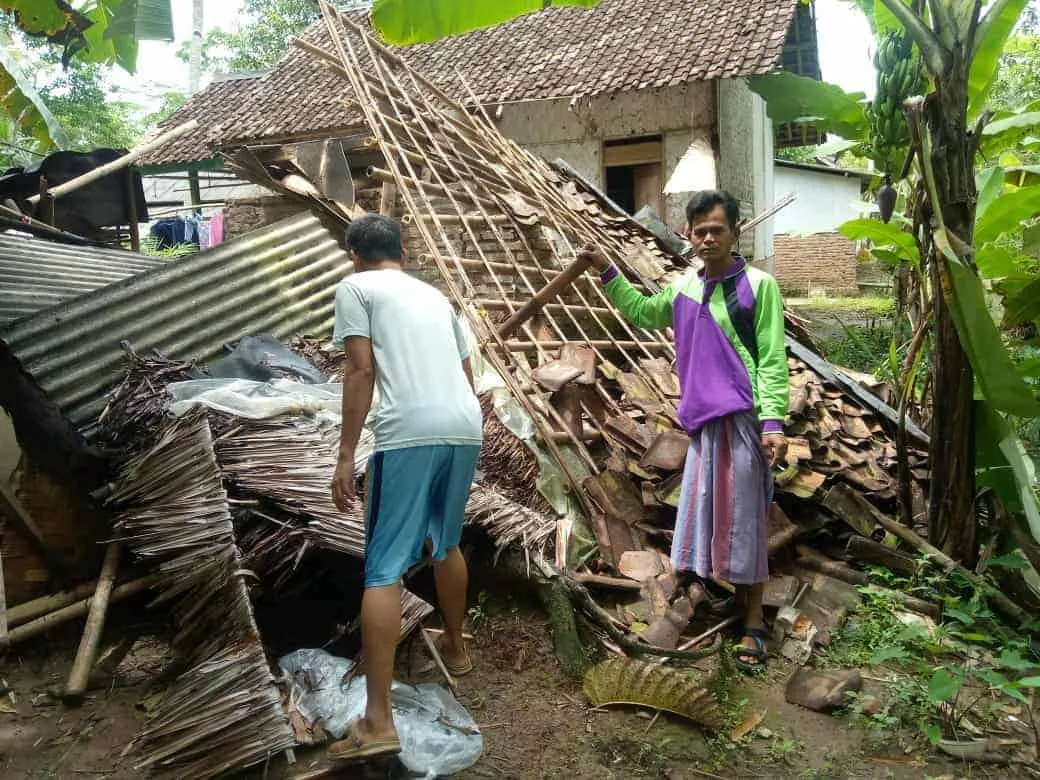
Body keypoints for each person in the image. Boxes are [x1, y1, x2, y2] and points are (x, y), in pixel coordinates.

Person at [579, 190, 789, 673]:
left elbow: (774, 359)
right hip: (701, 426)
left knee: (746, 521)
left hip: (743, 420)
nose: (708, 238)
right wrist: (608, 271)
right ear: (689, 236)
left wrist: (774, 422)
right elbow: (643, 311)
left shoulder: (758, 287)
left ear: (737, 232)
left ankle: (753, 621)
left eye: (718, 229)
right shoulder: (684, 289)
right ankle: (703, 596)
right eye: (700, 231)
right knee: (701, 517)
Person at [328, 214, 483, 760]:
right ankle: (458, 649)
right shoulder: (435, 297)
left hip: (408, 431)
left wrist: (346, 453)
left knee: (384, 568)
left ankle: (377, 722)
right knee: (446, 542)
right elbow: (466, 374)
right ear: (400, 250)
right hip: (464, 425)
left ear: (354, 254)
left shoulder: (355, 288)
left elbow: (360, 370)